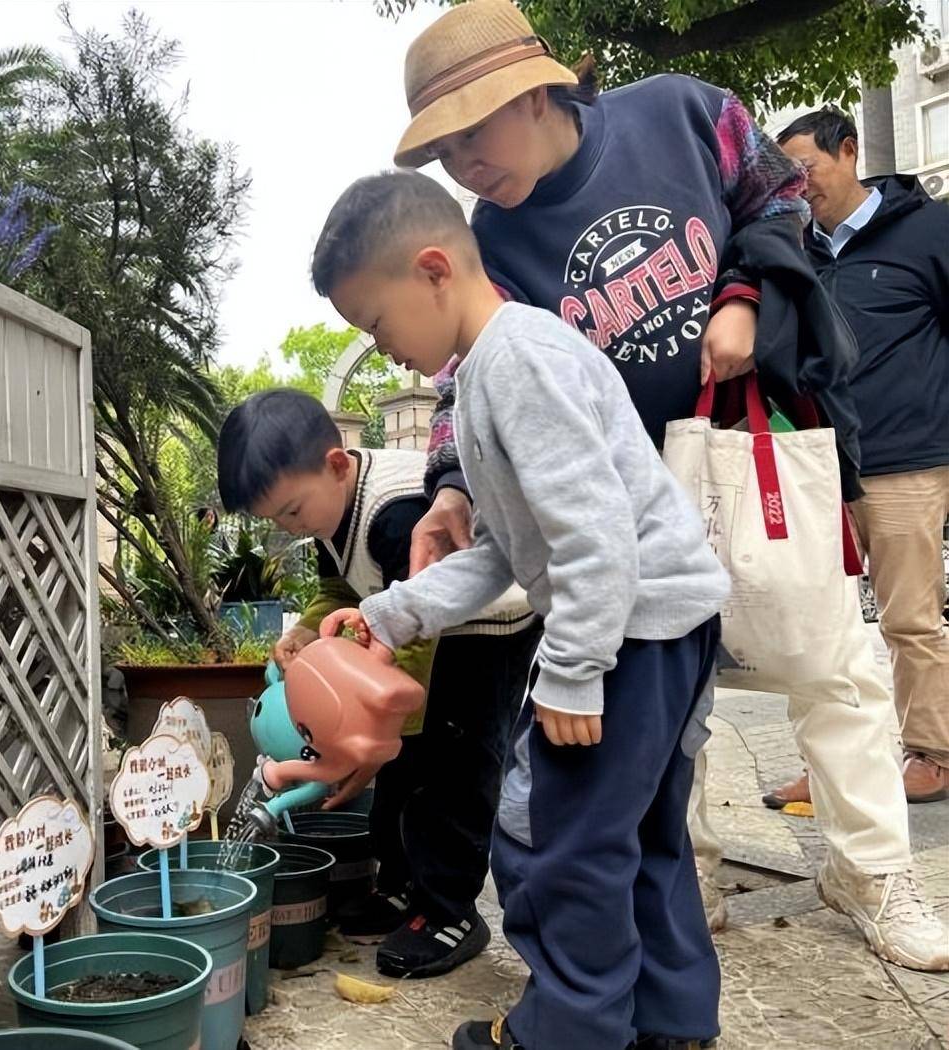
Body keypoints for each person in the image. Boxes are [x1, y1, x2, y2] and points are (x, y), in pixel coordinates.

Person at [395, 0, 948, 970]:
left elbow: (776, 198)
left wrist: (739, 299)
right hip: (620, 493)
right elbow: (468, 364)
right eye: (442, 152)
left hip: (750, 438)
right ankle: (680, 873)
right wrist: (450, 484)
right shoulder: (491, 234)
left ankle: (868, 871)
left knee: (828, 657)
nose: (463, 166)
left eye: (470, 133)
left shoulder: (680, 112)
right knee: (646, 684)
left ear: (531, 93)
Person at [313, 169, 728, 1050]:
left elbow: (594, 533)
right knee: (643, 834)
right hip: (662, 622)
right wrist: (391, 614)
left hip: (628, 634)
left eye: (377, 325)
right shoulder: (495, 371)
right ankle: (672, 1018)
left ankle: (567, 1030)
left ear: (432, 269)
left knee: (559, 842)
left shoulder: (516, 363)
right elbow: (504, 550)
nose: (384, 350)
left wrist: (574, 672)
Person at [216, 389, 540, 978]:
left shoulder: (396, 514)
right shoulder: (325, 513)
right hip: (415, 633)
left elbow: (418, 628)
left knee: (452, 768)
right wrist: (308, 631)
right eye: (274, 521)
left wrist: (371, 744)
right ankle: (399, 887)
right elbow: (342, 591)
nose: (290, 527)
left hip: (483, 627)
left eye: (291, 512)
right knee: (403, 770)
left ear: (337, 464)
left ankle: (450, 910)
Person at [777, 107, 949, 806]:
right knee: (820, 626)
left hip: (906, 458)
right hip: (818, 465)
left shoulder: (928, 230)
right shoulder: (794, 248)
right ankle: (834, 763)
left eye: (805, 171)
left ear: (847, 152)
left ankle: (931, 754)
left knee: (910, 616)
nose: (797, 188)